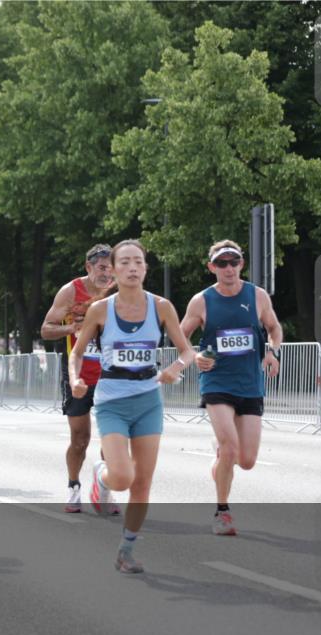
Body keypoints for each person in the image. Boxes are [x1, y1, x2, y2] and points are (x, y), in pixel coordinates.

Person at [68, 239, 195, 574]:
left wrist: (174, 369)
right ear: (113, 269)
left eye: (138, 261)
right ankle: (101, 477)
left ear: (146, 268)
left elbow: (187, 351)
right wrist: (75, 378)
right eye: (124, 262)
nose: (132, 268)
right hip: (112, 402)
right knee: (122, 477)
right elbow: (77, 352)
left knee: (142, 484)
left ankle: (126, 549)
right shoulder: (100, 310)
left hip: (148, 401)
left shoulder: (162, 307)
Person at [179, 240, 282, 536]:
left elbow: (274, 328)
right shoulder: (201, 301)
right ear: (212, 267)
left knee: (246, 461)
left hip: (250, 383)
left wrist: (273, 351)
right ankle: (222, 512)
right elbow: (180, 334)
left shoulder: (257, 296)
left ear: (241, 264)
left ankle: (222, 455)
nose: (228, 268)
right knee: (230, 448)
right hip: (217, 381)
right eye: (221, 263)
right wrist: (195, 356)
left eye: (233, 262)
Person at [40, 243, 116, 512]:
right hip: (78, 374)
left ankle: (104, 485)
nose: (108, 274)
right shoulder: (71, 291)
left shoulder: (121, 291)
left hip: (112, 375)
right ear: (89, 267)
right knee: (80, 439)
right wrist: (72, 327)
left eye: (112, 268)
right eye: (102, 267)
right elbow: (46, 329)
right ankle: (73, 486)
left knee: (114, 439)